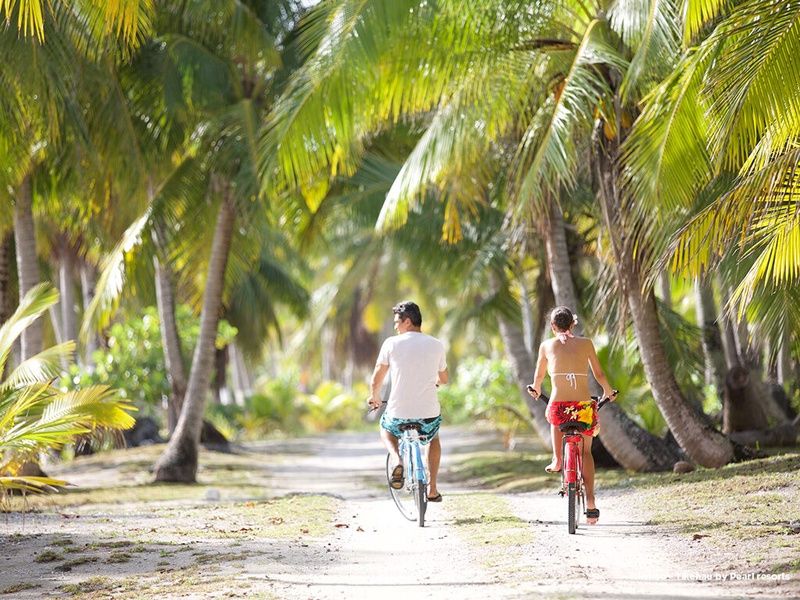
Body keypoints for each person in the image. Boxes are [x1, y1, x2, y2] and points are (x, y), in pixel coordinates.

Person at [527, 306, 615, 524]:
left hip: (559, 406)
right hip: (583, 407)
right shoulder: (586, 344)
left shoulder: (546, 346)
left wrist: (536, 389)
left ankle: (557, 459)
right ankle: (591, 502)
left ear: (553, 326)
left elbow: (538, 376)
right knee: (585, 452)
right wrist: (608, 392)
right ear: (573, 324)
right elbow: (599, 373)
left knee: (554, 416)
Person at [367, 301, 448, 502]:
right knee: (433, 437)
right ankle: (432, 489)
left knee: (385, 427)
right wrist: (434, 382)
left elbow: (377, 376)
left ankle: (396, 459)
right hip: (428, 415)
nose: (395, 326)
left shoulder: (391, 344)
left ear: (408, 321)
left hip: (398, 413)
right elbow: (444, 378)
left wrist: (374, 396)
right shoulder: (436, 344)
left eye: (397, 322)